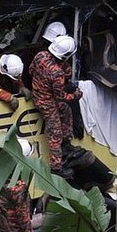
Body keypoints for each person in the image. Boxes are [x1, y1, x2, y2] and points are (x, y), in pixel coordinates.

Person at [30, 34, 82, 176]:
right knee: (55, 132)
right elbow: (61, 96)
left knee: (66, 112)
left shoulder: (40, 55)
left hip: (40, 94)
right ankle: (56, 167)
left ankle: (65, 145)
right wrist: (76, 95)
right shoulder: (57, 73)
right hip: (47, 102)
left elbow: (31, 70)